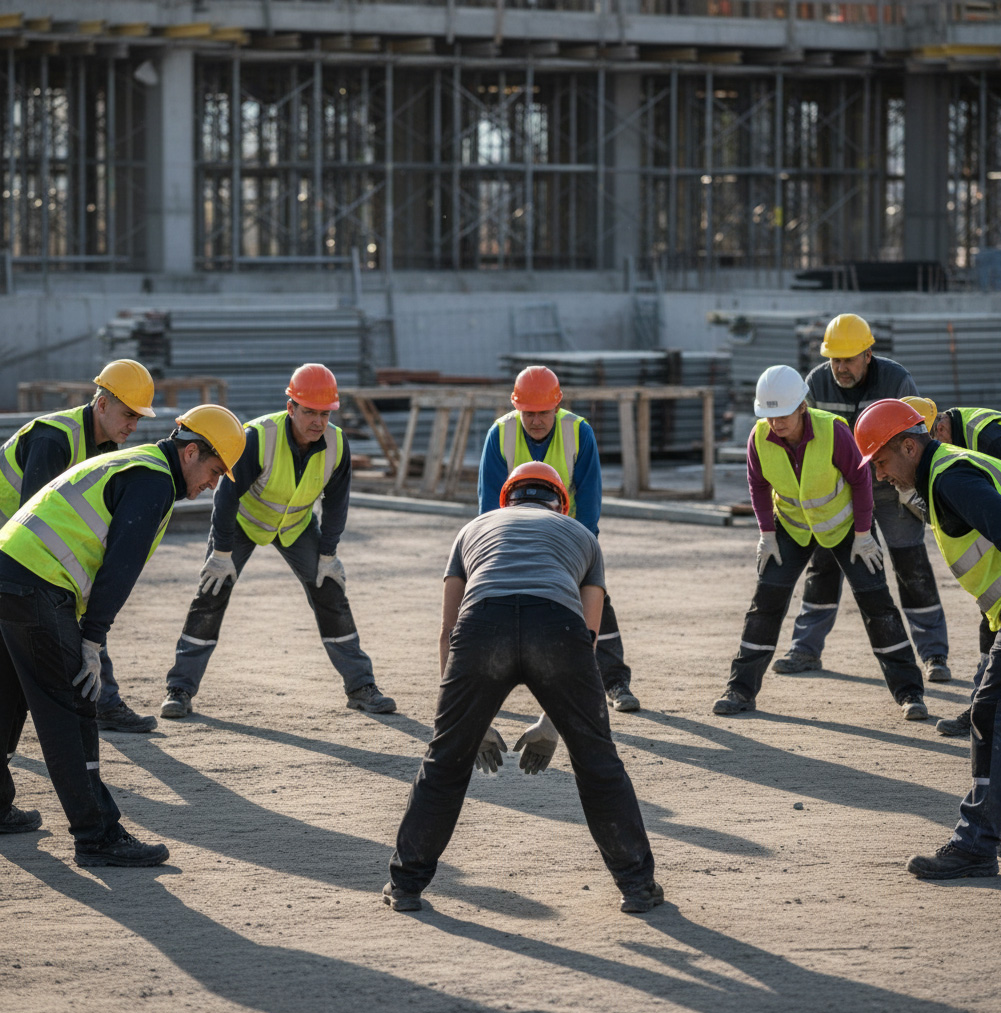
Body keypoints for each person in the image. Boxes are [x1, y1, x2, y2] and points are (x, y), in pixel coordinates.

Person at [383, 461, 662, 915]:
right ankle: (637, 887)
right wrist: (552, 724)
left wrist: (469, 722)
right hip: (556, 629)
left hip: (482, 628)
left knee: (444, 761)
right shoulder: (581, 535)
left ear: (506, 499)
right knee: (597, 762)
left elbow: (448, 629)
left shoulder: (473, 529)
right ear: (560, 503)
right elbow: (589, 637)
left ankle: (406, 886)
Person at [0, 404, 244, 864]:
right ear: (191, 452)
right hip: (38, 583)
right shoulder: (154, 481)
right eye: (214, 471)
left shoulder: (138, 463)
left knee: (8, 695)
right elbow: (120, 567)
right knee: (72, 706)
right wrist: (92, 639)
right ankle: (97, 835)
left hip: (9, 571)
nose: (213, 484)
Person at [160, 363, 396, 719]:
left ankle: (361, 687)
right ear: (291, 408)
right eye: (309, 412)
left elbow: (337, 503)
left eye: (325, 414)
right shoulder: (258, 437)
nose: (318, 422)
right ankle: (180, 689)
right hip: (243, 523)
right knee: (211, 594)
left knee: (330, 592)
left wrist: (328, 554)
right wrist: (221, 552)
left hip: (296, 526)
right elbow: (226, 497)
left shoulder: (337, 445)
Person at [855, 398, 1001, 878]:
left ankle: (974, 846)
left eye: (882, 461)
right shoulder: (942, 473)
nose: (880, 475)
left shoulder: (951, 477)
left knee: (991, 714)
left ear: (910, 447)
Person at [713, 365, 927, 720]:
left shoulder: (833, 431)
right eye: (769, 416)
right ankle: (739, 691)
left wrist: (863, 534)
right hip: (792, 528)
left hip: (847, 527)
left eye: (783, 415)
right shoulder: (758, 438)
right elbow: (758, 484)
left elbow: (860, 481)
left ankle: (910, 693)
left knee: (878, 605)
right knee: (765, 604)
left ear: (802, 407)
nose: (775, 423)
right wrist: (767, 533)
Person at [772, 314, 950, 684]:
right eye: (834, 359)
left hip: (889, 486)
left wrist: (914, 488)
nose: (840, 368)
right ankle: (805, 650)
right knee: (823, 565)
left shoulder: (896, 381)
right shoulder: (816, 383)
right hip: (838, 492)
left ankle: (934, 654)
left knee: (911, 564)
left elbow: (915, 441)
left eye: (848, 359)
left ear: (868, 355)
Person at [0, 359, 160, 733]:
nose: (134, 426)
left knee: (82, 621)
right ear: (101, 404)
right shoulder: (54, 440)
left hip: (13, 551)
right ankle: (103, 703)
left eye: (139, 418)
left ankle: (104, 701)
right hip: (13, 549)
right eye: (128, 414)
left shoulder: (105, 447)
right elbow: (33, 525)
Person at [477, 365, 639, 713]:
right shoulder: (500, 434)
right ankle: (483, 688)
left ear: (557, 406)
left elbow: (590, 496)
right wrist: (495, 553)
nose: (536, 421)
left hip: (566, 534)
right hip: (514, 537)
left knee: (595, 599)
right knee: (494, 607)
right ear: (516, 408)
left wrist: (584, 550)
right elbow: (489, 505)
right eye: (528, 414)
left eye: (543, 413)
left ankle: (615, 681)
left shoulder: (578, 432)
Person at [918, 400, 1001, 738]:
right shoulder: (955, 445)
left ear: (940, 428)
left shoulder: (990, 438)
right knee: (992, 617)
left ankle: (983, 709)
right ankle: (981, 706)